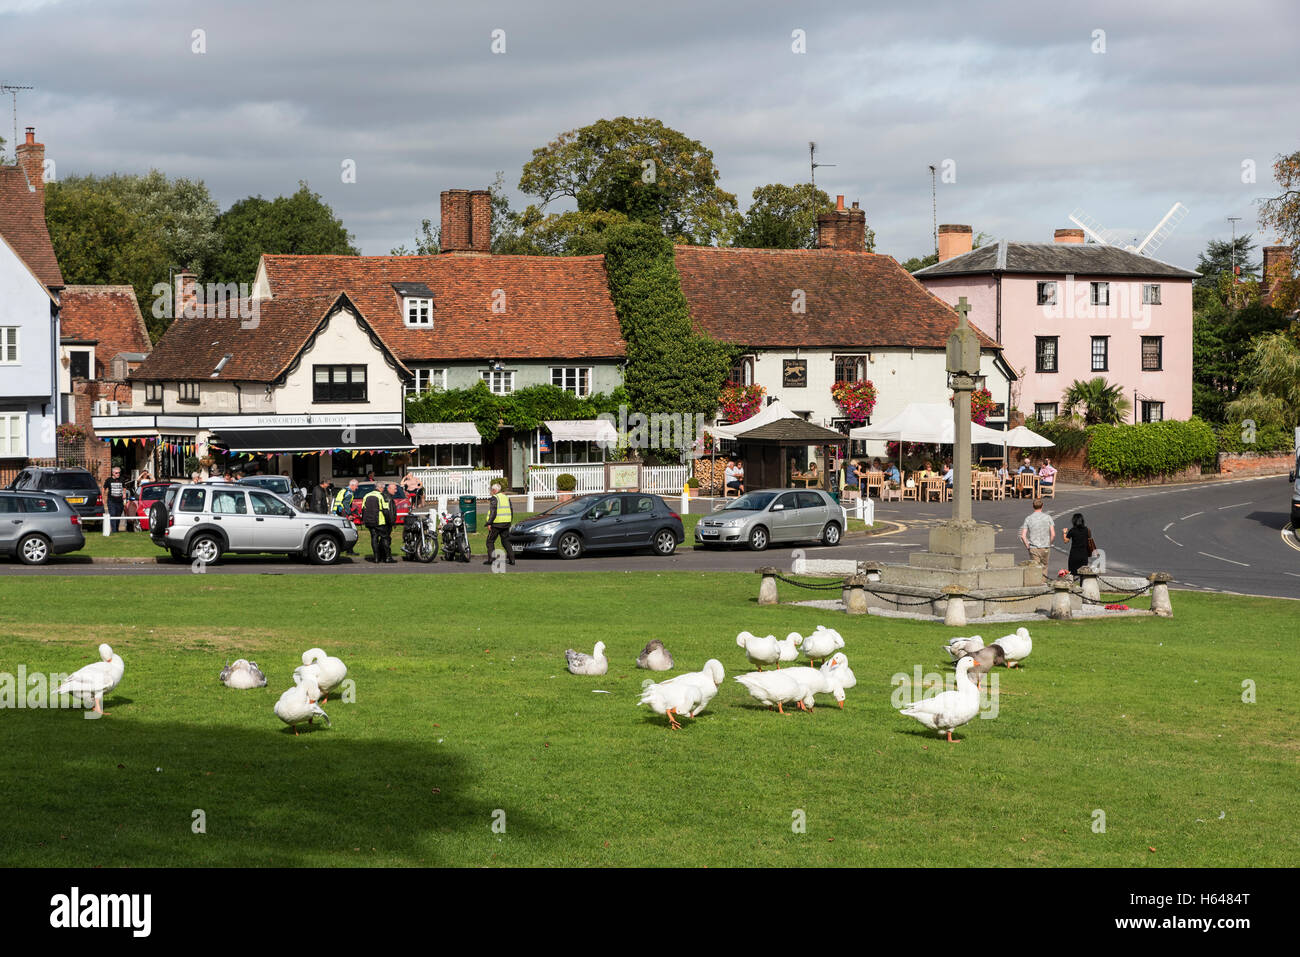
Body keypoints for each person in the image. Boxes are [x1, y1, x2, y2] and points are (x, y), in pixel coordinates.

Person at [484, 479, 516, 566]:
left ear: (494, 490)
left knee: (490, 541)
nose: (490, 492)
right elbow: (511, 510)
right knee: (505, 541)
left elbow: (493, 512)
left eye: (491, 490)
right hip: (506, 523)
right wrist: (509, 521)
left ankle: (491, 559)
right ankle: (512, 559)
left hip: (497, 524)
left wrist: (489, 523)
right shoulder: (506, 497)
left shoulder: (495, 498)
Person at [1019, 498, 1056, 572]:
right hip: (1045, 546)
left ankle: (1037, 583)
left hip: (1034, 547)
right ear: (1042, 506)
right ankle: (1044, 582)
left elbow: (1023, 535)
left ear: (1033, 506)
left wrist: (1027, 546)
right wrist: (1049, 543)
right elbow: (1053, 534)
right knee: (1044, 567)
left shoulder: (1028, 518)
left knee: (1035, 569)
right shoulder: (1048, 517)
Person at [361, 483, 392, 563]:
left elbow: (363, 509)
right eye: (383, 488)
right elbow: (386, 510)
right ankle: (388, 557)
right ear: (380, 488)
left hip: (369, 522)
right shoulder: (381, 496)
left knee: (374, 538)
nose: (383, 489)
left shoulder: (366, 495)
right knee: (385, 538)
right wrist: (389, 521)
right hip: (380, 521)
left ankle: (376, 558)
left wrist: (363, 520)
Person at [333, 478, 360, 555]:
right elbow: (346, 505)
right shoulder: (349, 493)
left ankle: (347, 550)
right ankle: (349, 550)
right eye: (356, 486)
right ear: (352, 485)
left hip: (339, 512)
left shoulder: (343, 490)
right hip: (344, 512)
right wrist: (349, 514)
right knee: (350, 530)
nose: (357, 488)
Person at [103, 466, 126, 532]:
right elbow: (104, 488)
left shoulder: (122, 479)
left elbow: (124, 487)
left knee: (118, 516)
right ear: (113, 473)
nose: (118, 474)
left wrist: (124, 494)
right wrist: (103, 498)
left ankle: (116, 529)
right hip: (111, 501)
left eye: (119, 473)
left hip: (120, 501)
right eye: (116, 473)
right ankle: (114, 531)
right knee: (112, 515)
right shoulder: (109, 480)